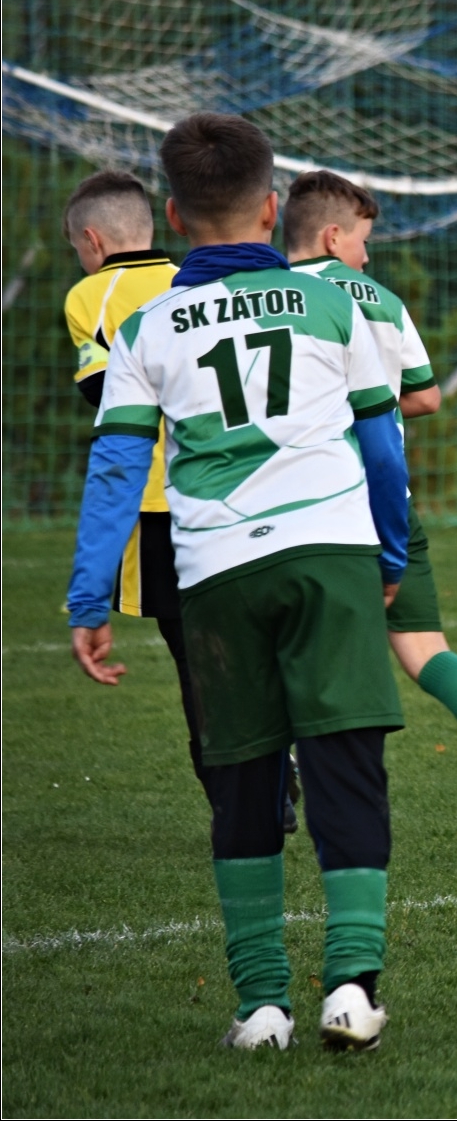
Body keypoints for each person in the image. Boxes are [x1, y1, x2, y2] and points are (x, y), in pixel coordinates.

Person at [68, 113, 411, 1051]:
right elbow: (383, 444)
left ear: (175, 215)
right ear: (271, 207)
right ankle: (352, 991)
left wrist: (90, 597)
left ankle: (261, 1008)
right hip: (328, 551)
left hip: (215, 569)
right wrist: (390, 555)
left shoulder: (146, 327)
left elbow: (115, 469)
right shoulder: (333, 302)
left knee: (243, 780)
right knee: (344, 762)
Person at [282, 169, 457, 849]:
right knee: (426, 648)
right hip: (391, 501)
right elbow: (426, 397)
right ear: (333, 236)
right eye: (364, 241)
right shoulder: (382, 301)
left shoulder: (271, 296)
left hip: (309, 504)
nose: (368, 257)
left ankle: (282, 768)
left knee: (289, 643)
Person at [61, 171, 302, 833]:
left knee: (194, 658)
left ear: (92, 240)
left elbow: (105, 398)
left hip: (159, 504)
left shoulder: (90, 295)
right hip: (247, 490)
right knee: (260, 639)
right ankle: (278, 760)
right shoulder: (197, 281)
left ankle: (236, 795)